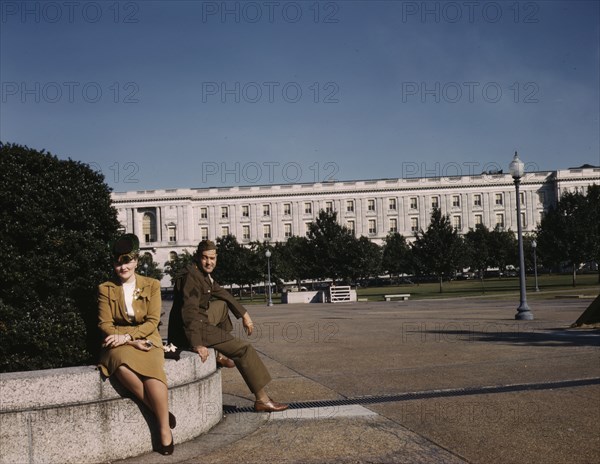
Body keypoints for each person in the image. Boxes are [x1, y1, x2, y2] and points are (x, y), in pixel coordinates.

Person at [168, 240, 288, 413]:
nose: (209, 262)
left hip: (198, 320)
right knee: (243, 349)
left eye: (212, 258)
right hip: (191, 328)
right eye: (205, 258)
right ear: (197, 257)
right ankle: (262, 400)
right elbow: (189, 313)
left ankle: (220, 355)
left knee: (222, 305)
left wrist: (244, 315)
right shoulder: (191, 278)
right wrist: (197, 344)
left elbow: (223, 293)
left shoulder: (201, 274)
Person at [98, 234, 175, 456]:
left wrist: (131, 338)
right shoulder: (106, 288)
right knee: (120, 365)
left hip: (148, 337)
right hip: (116, 343)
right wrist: (126, 340)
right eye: (118, 262)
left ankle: (163, 429)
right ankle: (161, 413)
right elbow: (105, 323)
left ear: (136, 261)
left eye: (127, 261)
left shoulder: (151, 284)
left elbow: (152, 321)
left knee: (152, 373)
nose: (122, 267)